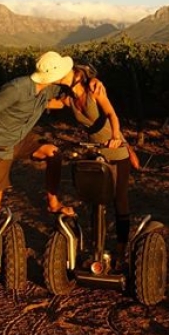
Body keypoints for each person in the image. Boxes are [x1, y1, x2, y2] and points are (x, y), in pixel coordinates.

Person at [0, 51, 100, 266]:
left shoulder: (49, 88)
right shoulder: (16, 89)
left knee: (53, 153)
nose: (65, 75)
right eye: (61, 73)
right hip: (0, 144)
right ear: (51, 76)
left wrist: (92, 82)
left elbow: (65, 93)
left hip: (22, 139)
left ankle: (53, 202)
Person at [47, 63, 140, 269]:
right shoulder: (69, 99)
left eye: (71, 74)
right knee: (95, 201)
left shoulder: (94, 92)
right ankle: (96, 248)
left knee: (120, 201)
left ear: (80, 76)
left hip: (116, 152)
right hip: (95, 152)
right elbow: (47, 102)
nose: (65, 76)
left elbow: (111, 115)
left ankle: (121, 251)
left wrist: (116, 135)